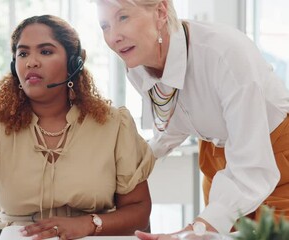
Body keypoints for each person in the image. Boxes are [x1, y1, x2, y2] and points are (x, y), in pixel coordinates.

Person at [0, 14, 155, 240]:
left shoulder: (114, 126)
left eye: (45, 51)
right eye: (23, 53)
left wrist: (88, 224)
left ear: (74, 62)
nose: (31, 61)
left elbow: (139, 210)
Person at [96, 0, 289, 239]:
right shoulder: (137, 65)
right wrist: (138, 158)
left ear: (160, 11)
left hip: (276, 154)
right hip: (216, 157)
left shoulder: (224, 54)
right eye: (104, 25)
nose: (113, 36)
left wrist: (192, 231)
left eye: (123, 18)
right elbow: (176, 117)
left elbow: (253, 167)